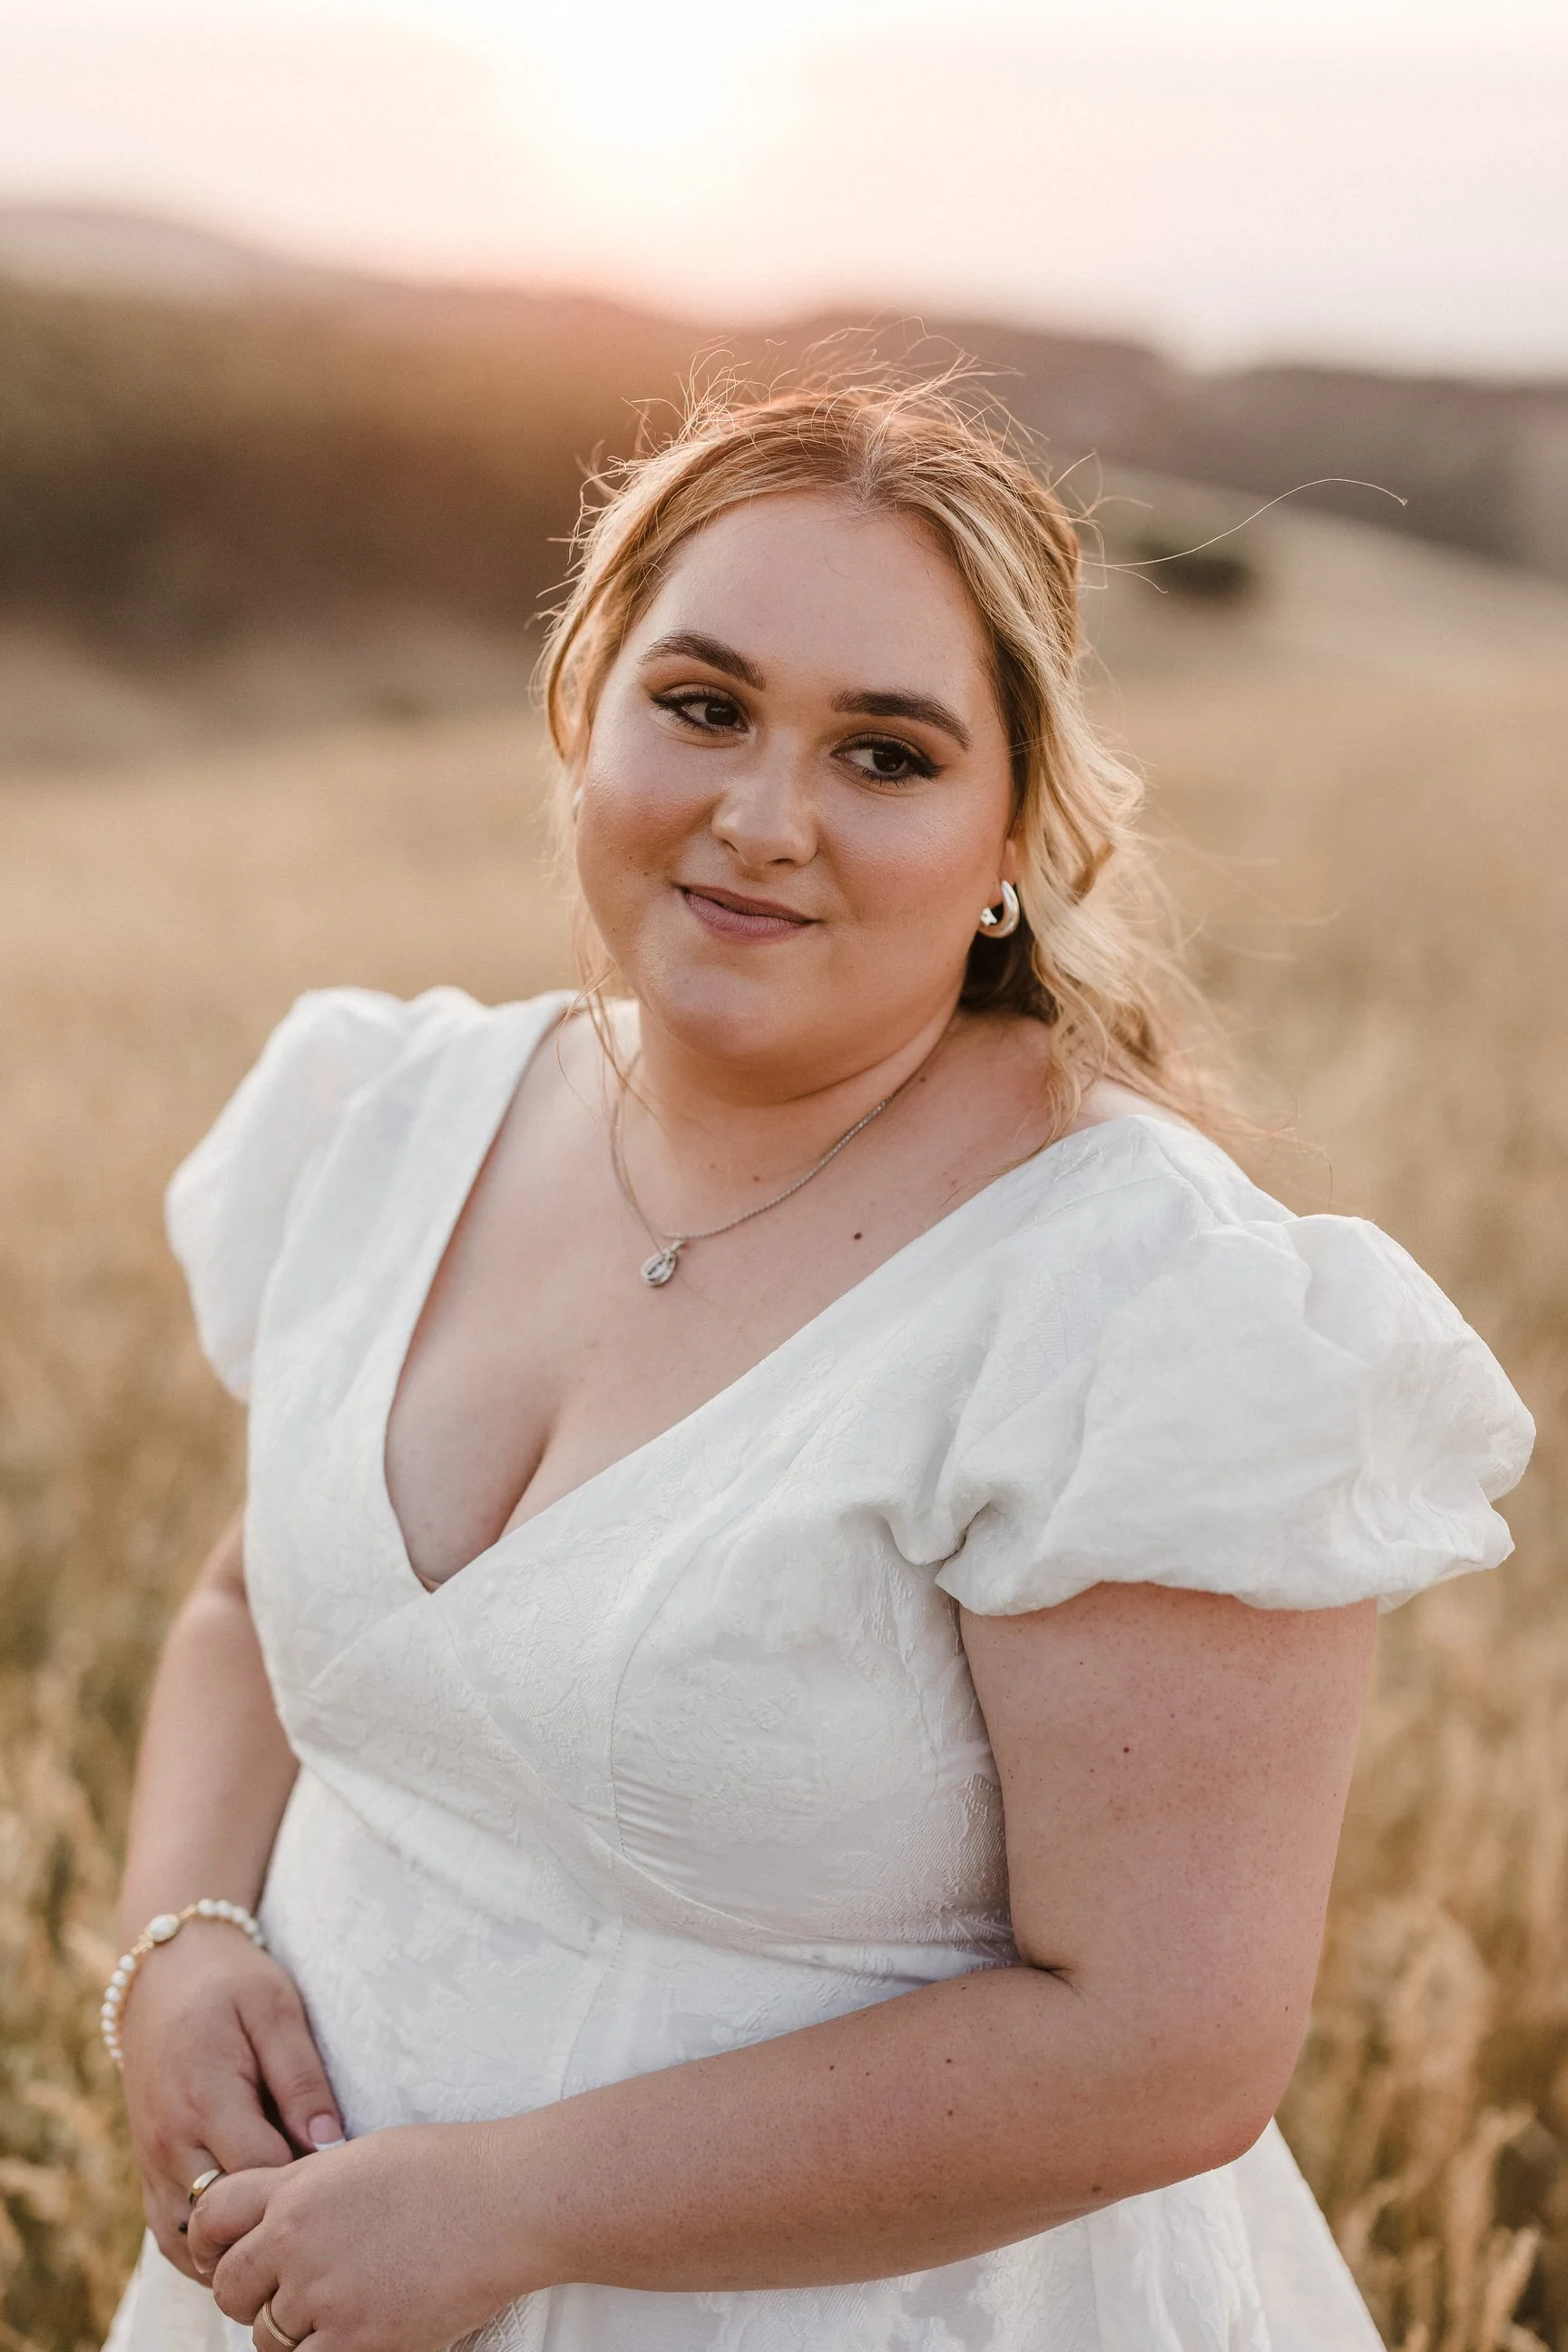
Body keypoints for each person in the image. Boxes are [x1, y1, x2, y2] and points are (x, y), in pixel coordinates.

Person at [102, 379, 1533, 2352]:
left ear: (1013, 832)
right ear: (582, 709)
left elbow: (1164, 2046)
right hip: (295, 2285)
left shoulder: (1132, 1304)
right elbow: (256, 1595)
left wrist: (509, 2211)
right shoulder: (389, 1110)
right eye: (702, 706)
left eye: (886, 751)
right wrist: (171, 1947)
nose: (763, 820)